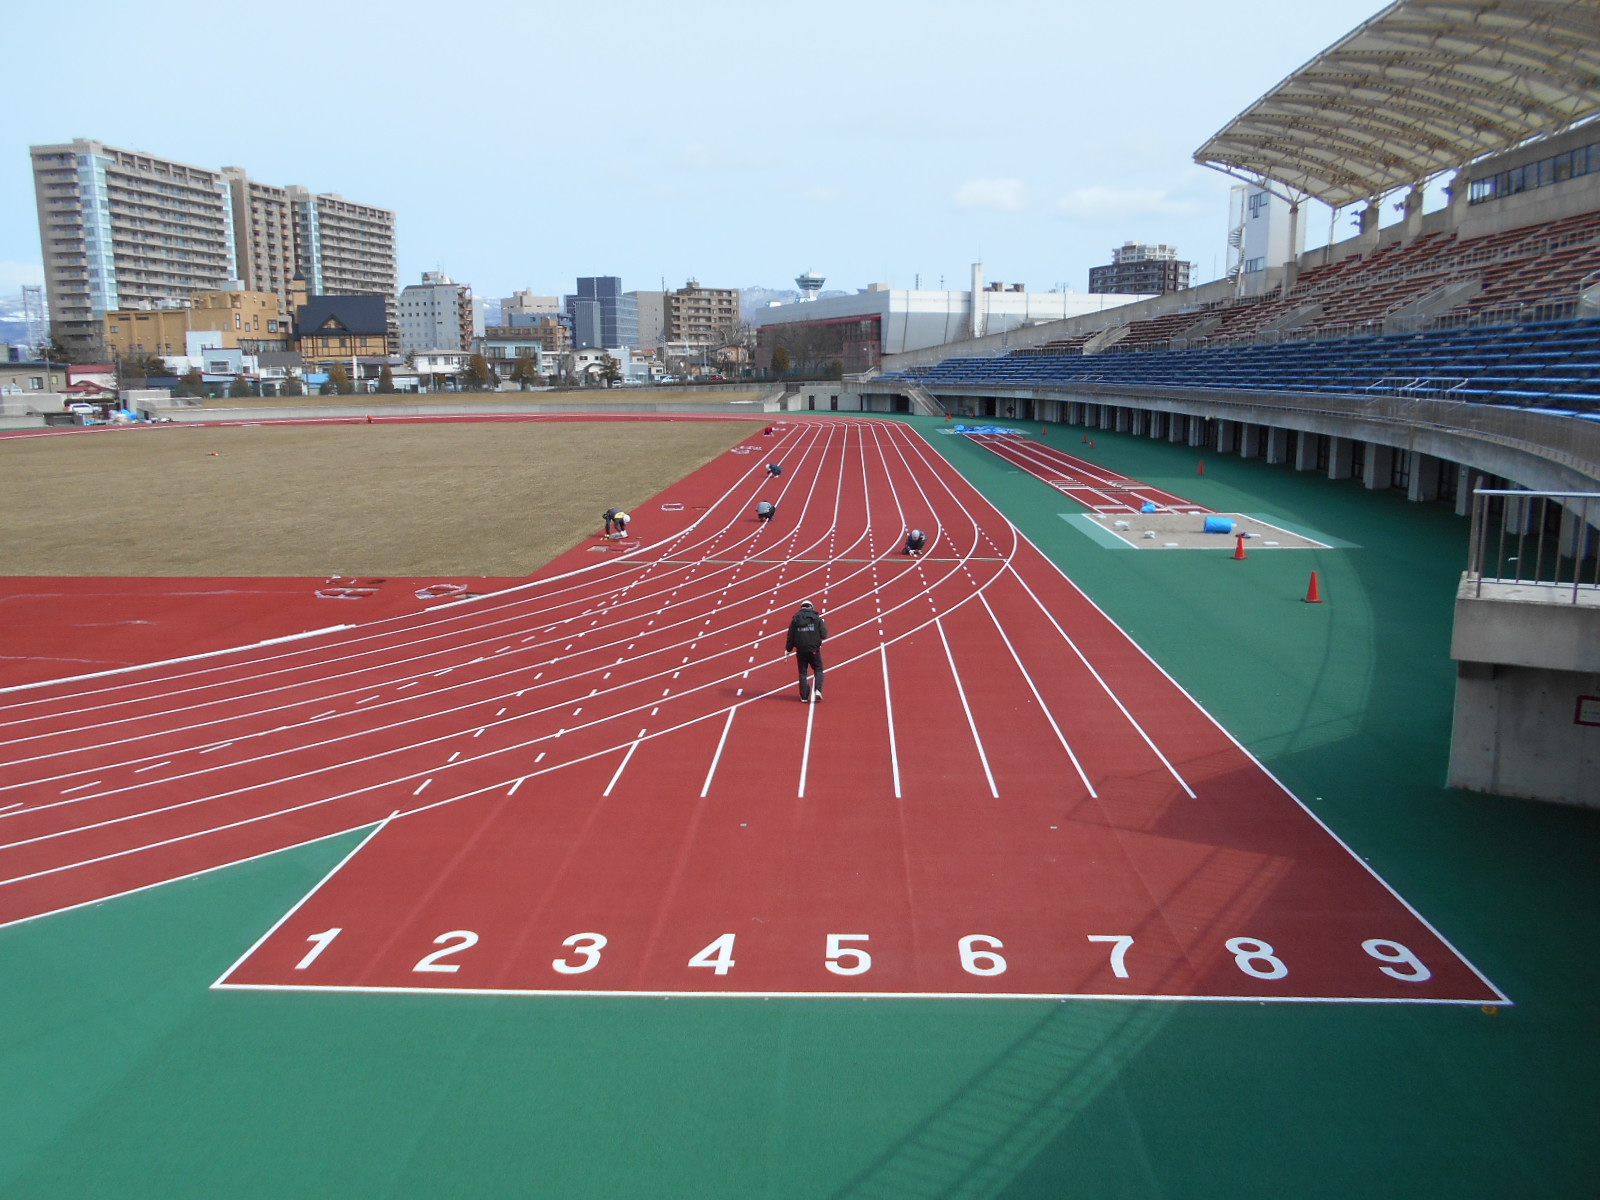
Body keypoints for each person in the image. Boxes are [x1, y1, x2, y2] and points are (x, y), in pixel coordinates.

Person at [785, 600, 828, 702]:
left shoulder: (795, 620)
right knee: (818, 669)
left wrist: (788, 649)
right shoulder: (817, 619)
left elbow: (790, 636)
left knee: (803, 673)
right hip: (814, 649)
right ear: (811, 608)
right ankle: (818, 690)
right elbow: (824, 634)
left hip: (800, 650)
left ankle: (804, 696)